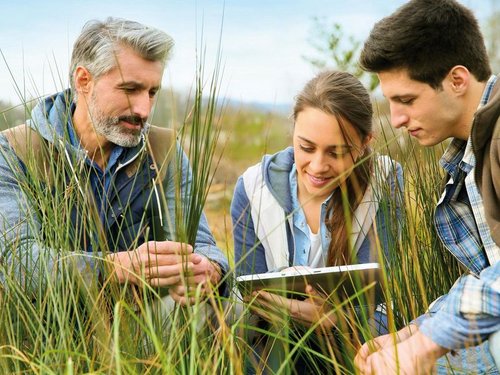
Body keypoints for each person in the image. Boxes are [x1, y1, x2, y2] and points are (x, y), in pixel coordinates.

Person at [0, 18, 228, 306]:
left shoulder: (165, 151)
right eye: (130, 89)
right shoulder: (14, 151)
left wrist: (210, 269)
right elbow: (17, 263)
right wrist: (120, 267)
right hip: (42, 328)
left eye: (152, 92)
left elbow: (202, 244)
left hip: (141, 326)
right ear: (84, 80)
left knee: (235, 309)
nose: (144, 110)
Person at [354, 0, 500, 374]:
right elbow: (489, 278)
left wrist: (423, 348)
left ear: (456, 80)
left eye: (407, 100)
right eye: (390, 102)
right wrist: (412, 331)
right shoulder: (467, 158)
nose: (397, 119)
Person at [231, 70, 403, 373]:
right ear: (294, 130)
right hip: (273, 348)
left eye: (336, 152)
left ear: (365, 143)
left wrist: (336, 320)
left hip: (355, 350)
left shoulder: (385, 184)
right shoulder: (251, 187)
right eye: (306, 148)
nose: (318, 166)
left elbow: (382, 305)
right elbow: (247, 303)